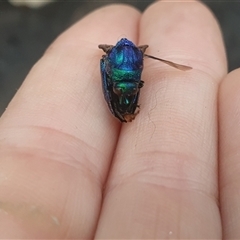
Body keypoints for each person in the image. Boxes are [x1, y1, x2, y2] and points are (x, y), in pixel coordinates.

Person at [0, 0, 238, 238]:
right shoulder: (129, 58)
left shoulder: (110, 59)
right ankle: (127, 94)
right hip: (128, 79)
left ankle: (125, 95)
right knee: (127, 93)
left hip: (123, 79)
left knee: (122, 93)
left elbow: (110, 76)